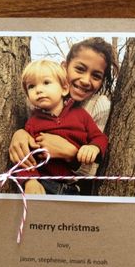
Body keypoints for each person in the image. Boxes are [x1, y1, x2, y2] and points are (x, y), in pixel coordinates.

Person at [9, 37, 119, 193]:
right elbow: (28, 143)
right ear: (64, 67)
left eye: (96, 76)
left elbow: (92, 168)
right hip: (44, 181)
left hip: (74, 185)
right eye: (80, 69)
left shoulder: (98, 106)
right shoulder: (39, 102)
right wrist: (19, 134)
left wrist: (71, 152)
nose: (86, 81)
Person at [19, 59, 108, 195]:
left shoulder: (80, 114)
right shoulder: (33, 123)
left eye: (46, 82)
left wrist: (94, 147)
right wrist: (30, 181)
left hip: (74, 187)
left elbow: (99, 137)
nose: (38, 90)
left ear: (64, 88)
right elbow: (25, 158)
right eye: (31, 86)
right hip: (44, 185)